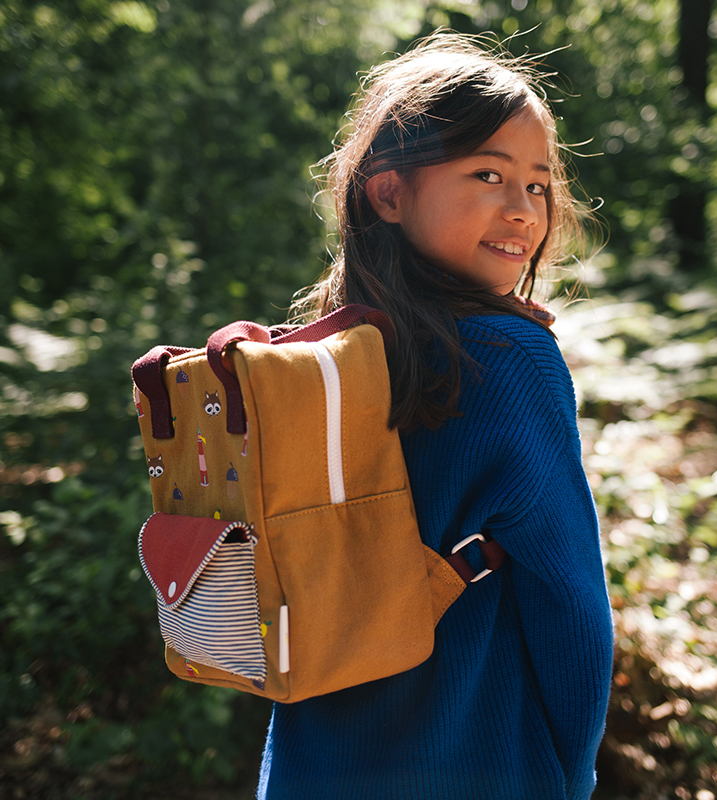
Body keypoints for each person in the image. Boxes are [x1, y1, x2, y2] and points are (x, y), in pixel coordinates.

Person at [257, 31, 614, 800]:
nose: (523, 209)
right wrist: (573, 771)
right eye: (488, 173)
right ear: (388, 192)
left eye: (539, 185)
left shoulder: (325, 356)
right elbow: (572, 608)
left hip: (311, 763)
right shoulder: (511, 361)